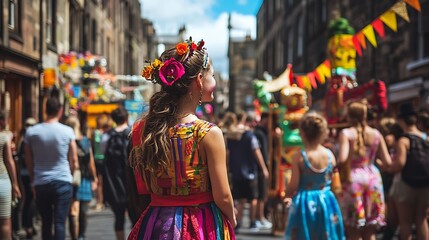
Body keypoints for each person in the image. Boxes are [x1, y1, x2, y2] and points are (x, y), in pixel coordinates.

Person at [128, 37, 236, 240]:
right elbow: (222, 195)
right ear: (199, 80)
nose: (214, 80)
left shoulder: (145, 129)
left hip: (155, 222)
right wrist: (231, 218)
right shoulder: (207, 133)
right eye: (212, 75)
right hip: (199, 223)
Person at [283, 112, 344, 240]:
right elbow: (333, 181)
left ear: (302, 133)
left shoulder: (299, 157)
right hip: (326, 200)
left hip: (305, 203)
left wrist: (287, 195)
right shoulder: (329, 155)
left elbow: (294, 184)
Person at [24, 97, 78, 240]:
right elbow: (74, 159)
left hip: (41, 181)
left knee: (46, 222)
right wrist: (71, 175)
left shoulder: (32, 132)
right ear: (60, 111)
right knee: (60, 222)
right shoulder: (67, 131)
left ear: (45, 110)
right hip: (63, 180)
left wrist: (32, 178)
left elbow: (28, 160)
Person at [337, 100, 392, 240]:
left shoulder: (346, 133)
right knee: (370, 230)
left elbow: (342, 159)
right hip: (373, 178)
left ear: (349, 116)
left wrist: (334, 167)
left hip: (353, 179)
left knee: (353, 229)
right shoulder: (376, 134)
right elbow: (388, 162)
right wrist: (374, 162)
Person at [388, 102, 429, 240]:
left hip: (407, 184)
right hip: (425, 184)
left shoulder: (404, 140)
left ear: (401, 120)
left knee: (405, 223)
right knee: (421, 220)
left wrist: (387, 167)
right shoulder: (426, 137)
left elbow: (400, 163)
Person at [64, 116, 98, 240]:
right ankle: (81, 235)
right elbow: (91, 163)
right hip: (84, 179)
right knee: (82, 211)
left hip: (69, 179)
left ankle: (76, 236)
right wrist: (94, 178)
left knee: (72, 212)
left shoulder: (66, 141)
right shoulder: (85, 141)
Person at [102, 107, 131, 240]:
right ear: (126, 118)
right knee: (136, 218)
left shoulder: (107, 136)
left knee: (118, 218)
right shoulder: (133, 133)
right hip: (132, 183)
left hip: (114, 183)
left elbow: (103, 156)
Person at [0, 110, 21, 240]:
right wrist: (15, 184)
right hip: (2, 181)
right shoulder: (4, 138)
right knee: (5, 223)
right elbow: (9, 161)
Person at [15, 117, 37, 239]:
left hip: (26, 173)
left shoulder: (24, 139)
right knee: (30, 199)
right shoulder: (26, 140)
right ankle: (27, 225)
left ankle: (28, 224)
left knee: (29, 199)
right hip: (27, 173)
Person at [253, 112, 273, 230]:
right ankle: (259, 217)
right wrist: (264, 167)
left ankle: (261, 217)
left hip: (262, 167)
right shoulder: (259, 132)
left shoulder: (263, 132)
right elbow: (260, 152)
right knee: (261, 194)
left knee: (263, 193)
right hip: (260, 168)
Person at [92, 114, 111, 211]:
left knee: (105, 181)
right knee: (99, 182)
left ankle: (105, 200)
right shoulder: (96, 133)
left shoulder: (107, 133)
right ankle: (99, 201)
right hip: (98, 159)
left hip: (105, 159)